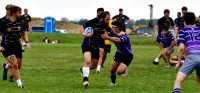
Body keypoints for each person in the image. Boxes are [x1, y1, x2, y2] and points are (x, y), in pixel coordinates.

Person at [0, 5, 30, 88]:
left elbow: (24, 33)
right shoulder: (4, 23)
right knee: (15, 64)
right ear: (14, 13)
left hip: (17, 46)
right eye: (19, 12)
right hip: (6, 46)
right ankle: (20, 85)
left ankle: (6, 66)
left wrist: (27, 42)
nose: (21, 14)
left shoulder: (21, 22)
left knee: (18, 65)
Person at [80, 11, 110, 88]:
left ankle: (83, 69)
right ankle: (85, 79)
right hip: (87, 43)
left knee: (94, 65)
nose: (108, 21)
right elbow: (82, 26)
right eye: (107, 19)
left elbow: (110, 33)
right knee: (87, 60)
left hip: (96, 46)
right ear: (102, 18)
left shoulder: (106, 25)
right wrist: (84, 34)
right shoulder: (93, 21)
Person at [173, 12, 200, 93]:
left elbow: (181, 48)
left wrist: (178, 62)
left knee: (178, 81)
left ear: (184, 21)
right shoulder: (199, 29)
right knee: (198, 80)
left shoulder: (183, 31)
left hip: (192, 57)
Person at [101, 21, 133, 85]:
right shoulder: (114, 33)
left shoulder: (124, 35)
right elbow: (106, 34)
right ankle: (113, 83)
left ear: (118, 28)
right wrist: (103, 29)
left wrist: (107, 37)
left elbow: (117, 40)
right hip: (119, 53)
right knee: (112, 70)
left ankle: (124, 69)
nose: (112, 28)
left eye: (113, 27)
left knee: (119, 72)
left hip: (127, 55)